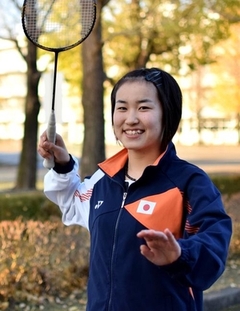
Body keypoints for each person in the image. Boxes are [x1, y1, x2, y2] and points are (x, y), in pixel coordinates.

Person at [38, 67, 232, 311]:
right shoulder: (103, 179)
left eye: (143, 107)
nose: (130, 118)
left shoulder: (190, 183)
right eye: (122, 107)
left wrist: (179, 254)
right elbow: (72, 202)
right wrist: (64, 165)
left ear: (167, 114)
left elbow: (213, 249)